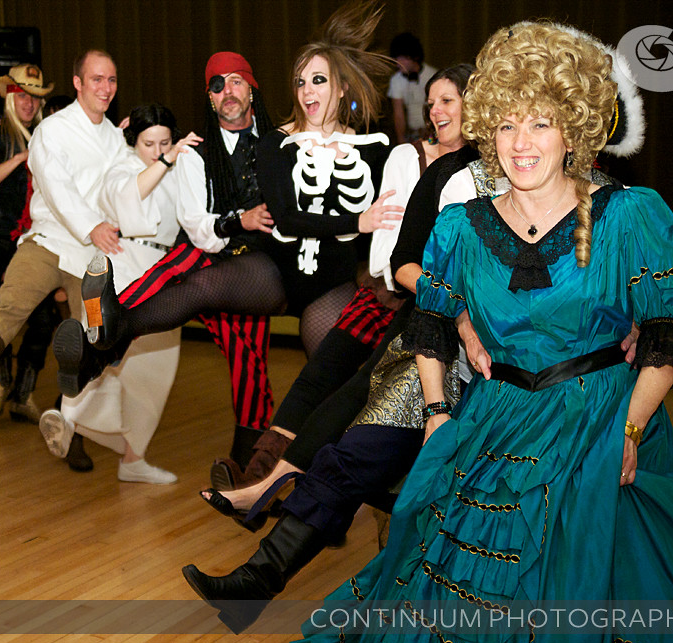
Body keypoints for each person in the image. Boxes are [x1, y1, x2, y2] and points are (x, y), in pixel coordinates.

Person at [290, 22, 673, 643]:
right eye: (507, 124)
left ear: (573, 130)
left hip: (597, 418)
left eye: (541, 124)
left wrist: (629, 430)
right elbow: (431, 323)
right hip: (497, 419)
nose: (521, 143)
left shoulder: (631, 216)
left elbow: (668, 335)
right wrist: (437, 412)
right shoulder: (461, 227)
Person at [58, 2, 403, 444]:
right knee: (192, 278)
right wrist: (354, 219)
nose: (307, 91)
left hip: (316, 277)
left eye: (318, 80)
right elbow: (258, 220)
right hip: (259, 263)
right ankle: (106, 334)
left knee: (295, 375)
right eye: (300, 82)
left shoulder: (369, 147)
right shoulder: (263, 145)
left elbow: (390, 221)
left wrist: (384, 267)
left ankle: (266, 457)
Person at [210, 64, 475, 493]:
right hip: (389, 292)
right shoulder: (407, 157)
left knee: (362, 397)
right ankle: (260, 479)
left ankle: (292, 493)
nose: (435, 111)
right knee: (320, 376)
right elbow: (386, 249)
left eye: (447, 101)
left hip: (438, 312)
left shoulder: (488, 167)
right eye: (430, 103)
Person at [57, 50, 279, 469]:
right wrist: (237, 218)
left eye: (236, 81)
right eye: (217, 85)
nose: (228, 92)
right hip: (204, 255)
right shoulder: (192, 154)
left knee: (249, 361)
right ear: (209, 97)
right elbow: (196, 226)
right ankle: (97, 344)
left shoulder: (278, 144)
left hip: (254, 268)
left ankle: (246, 463)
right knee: (175, 267)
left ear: (252, 88)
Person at [0, 49, 125, 471]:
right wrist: (92, 224)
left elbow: (122, 186)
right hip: (47, 239)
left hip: (90, 257)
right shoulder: (51, 130)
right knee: (8, 306)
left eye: (111, 80)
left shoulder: (115, 138)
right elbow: (56, 188)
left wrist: (144, 152)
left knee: (92, 336)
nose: (105, 88)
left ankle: (70, 431)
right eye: (97, 79)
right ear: (78, 83)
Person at [40, 103, 201, 484]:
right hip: (123, 265)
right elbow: (129, 198)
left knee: (153, 374)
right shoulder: (122, 167)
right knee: (100, 349)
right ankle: (67, 419)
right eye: (149, 143)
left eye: (165, 142)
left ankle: (133, 460)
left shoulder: (181, 167)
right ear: (134, 142)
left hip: (165, 271)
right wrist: (167, 160)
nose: (158, 150)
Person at [0, 64, 63, 423]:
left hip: (32, 240)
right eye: (22, 95)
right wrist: (19, 160)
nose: (29, 103)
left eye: (35, 98)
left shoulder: (45, 134)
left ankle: (23, 393)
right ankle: (1, 382)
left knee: (42, 320)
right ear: (10, 96)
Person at [387, 32, 437, 144]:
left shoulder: (432, 76)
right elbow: (398, 114)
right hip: (412, 135)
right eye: (396, 59)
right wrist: (401, 141)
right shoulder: (396, 80)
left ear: (414, 57)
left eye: (402, 59)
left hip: (432, 133)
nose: (398, 64)